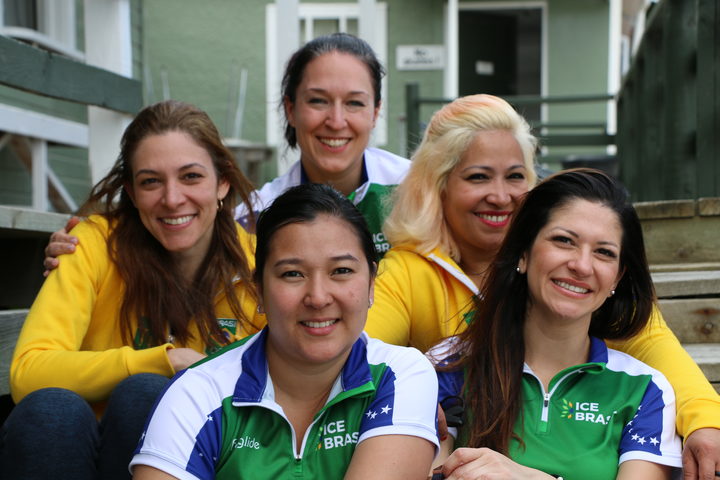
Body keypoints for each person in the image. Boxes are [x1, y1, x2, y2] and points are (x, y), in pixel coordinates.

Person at [364, 94, 720, 477]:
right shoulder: (408, 272)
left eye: (515, 177)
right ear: (439, 185)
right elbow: (355, 348)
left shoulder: (634, 378)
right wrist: (408, 390)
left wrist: (705, 419)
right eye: (478, 176)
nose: (501, 196)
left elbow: (650, 342)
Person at [1, 100, 265, 480]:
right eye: (151, 181)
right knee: (51, 410)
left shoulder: (262, 267)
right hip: (86, 457)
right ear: (132, 191)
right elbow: (28, 372)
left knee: (146, 396)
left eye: (191, 176)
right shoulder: (91, 245)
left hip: (211, 460)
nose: (172, 198)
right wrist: (162, 360)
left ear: (222, 181)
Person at [130, 183, 439, 479]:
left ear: (372, 283)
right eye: (292, 274)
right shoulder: (197, 395)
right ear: (259, 292)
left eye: (341, 271)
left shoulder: (400, 375)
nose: (318, 297)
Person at [44, 33, 408, 262]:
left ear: (376, 112)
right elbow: (182, 234)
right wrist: (86, 246)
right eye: (318, 101)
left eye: (355, 103)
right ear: (291, 109)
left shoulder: (415, 187)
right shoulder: (257, 217)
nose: (336, 120)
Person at [432, 169, 683, 479]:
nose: (581, 265)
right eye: (564, 241)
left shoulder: (644, 389)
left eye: (604, 252)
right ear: (523, 253)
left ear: (617, 277)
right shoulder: (449, 365)